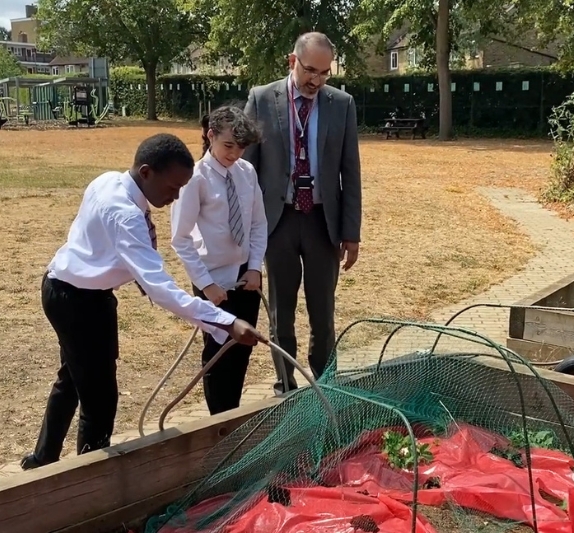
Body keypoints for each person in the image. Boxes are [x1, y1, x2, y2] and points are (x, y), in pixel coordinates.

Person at [21, 133, 266, 471]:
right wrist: (226, 321)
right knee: (100, 399)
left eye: (182, 188)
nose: (176, 196)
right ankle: (88, 480)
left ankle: (42, 460)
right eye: (172, 188)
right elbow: (161, 289)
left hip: (78, 290)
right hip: (75, 300)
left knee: (74, 378)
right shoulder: (126, 216)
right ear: (147, 172)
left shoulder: (108, 180)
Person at [243, 32, 362, 394]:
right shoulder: (262, 99)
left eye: (325, 73)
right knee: (281, 311)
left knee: (323, 311)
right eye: (310, 70)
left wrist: (351, 232)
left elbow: (350, 171)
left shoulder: (341, 104)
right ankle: (285, 383)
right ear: (292, 61)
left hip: (322, 221)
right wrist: (246, 230)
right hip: (276, 220)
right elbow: (246, 169)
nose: (317, 80)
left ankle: (326, 384)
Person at [170, 105, 266, 415]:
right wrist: (206, 284)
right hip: (212, 279)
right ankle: (217, 420)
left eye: (241, 147)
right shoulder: (195, 179)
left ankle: (233, 413)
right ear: (210, 135)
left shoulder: (247, 173)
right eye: (228, 145)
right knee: (217, 351)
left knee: (242, 346)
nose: (235, 153)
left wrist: (254, 268)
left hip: (244, 278)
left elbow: (257, 224)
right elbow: (180, 238)